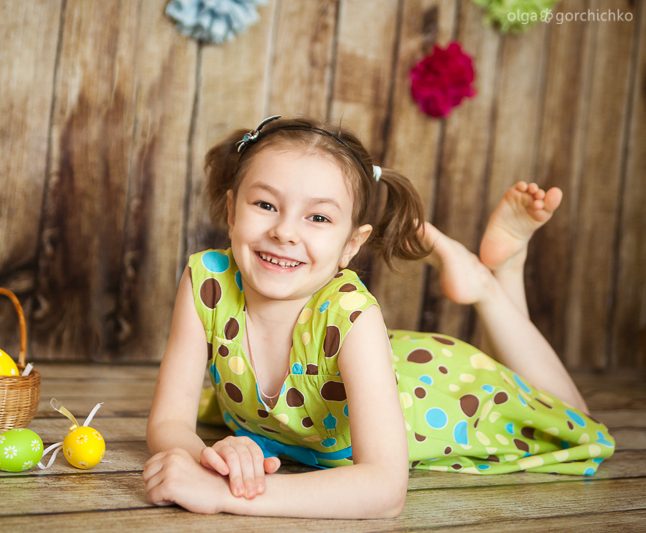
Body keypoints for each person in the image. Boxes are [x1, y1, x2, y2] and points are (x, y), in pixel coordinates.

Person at [142, 116, 615, 518]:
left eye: (319, 218)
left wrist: (227, 493)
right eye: (265, 205)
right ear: (231, 210)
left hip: (437, 393)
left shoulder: (354, 314)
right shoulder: (206, 281)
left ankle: (494, 282)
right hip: (365, 371)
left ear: (352, 244)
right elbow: (167, 422)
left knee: (571, 417)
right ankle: (488, 275)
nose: (284, 231)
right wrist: (214, 459)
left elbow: (385, 491)